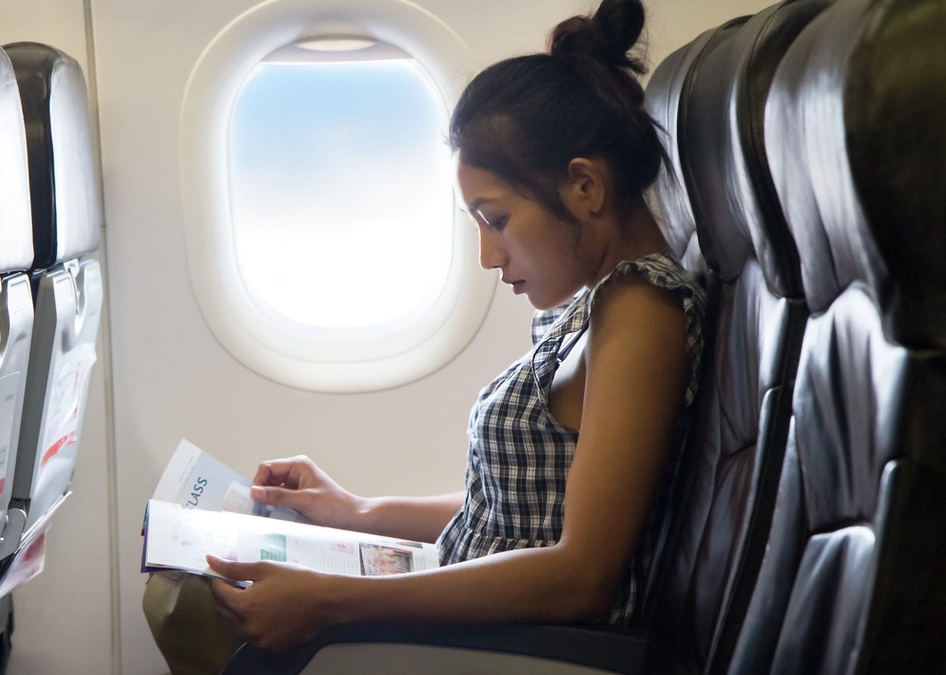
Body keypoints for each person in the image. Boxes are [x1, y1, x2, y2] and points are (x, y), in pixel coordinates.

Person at [144, 0, 705, 670]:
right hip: (489, 625)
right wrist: (354, 509)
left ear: (584, 185)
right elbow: (510, 513)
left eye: (495, 219)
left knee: (205, 613)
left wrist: (336, 600)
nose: (487, 257)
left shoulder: (643, 309)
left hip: (537, 646)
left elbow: (581, 572)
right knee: (187, 590)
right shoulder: (597, 305)